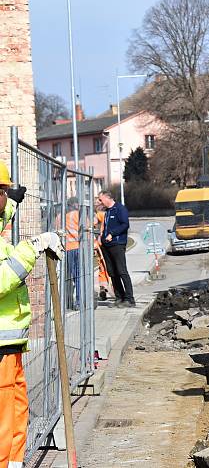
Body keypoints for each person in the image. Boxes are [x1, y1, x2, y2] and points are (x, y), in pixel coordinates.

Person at [0, 160, 64, 468]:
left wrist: (12, 201)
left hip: (10, 345)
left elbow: (1, 217)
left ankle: (14, 463)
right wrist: (34, 246)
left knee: (16, 407)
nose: (4, 197)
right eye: (1, 191)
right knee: (2, 419)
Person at [97, 190, 134, 307]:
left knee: (121, 271)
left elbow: (125, 224)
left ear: (108, 198)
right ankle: (119, 297)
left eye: (100, 199)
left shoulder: (120, 209)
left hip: (117, 244)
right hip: (106, 246)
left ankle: (129, 299)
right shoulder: (107, 211)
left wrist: (112, 234)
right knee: (112, 272)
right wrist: (101, 237)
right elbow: (104, 227)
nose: (99, 202)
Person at [64, 197, 81, 309]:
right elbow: (90, 226)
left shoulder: (61, 217)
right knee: (79, 275)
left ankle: (68, 301)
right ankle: (79, 301)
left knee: (70, 276)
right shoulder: (79, 215)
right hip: (78, 247)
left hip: (67, 248)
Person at [93, 200, 110, 301]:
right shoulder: (109, 214)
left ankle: (103, 288)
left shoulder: (100, 215)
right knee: (109, 267)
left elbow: (93, 225)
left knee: (102, 268)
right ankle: (107, 288)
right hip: (110, 244)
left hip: (101, 244)